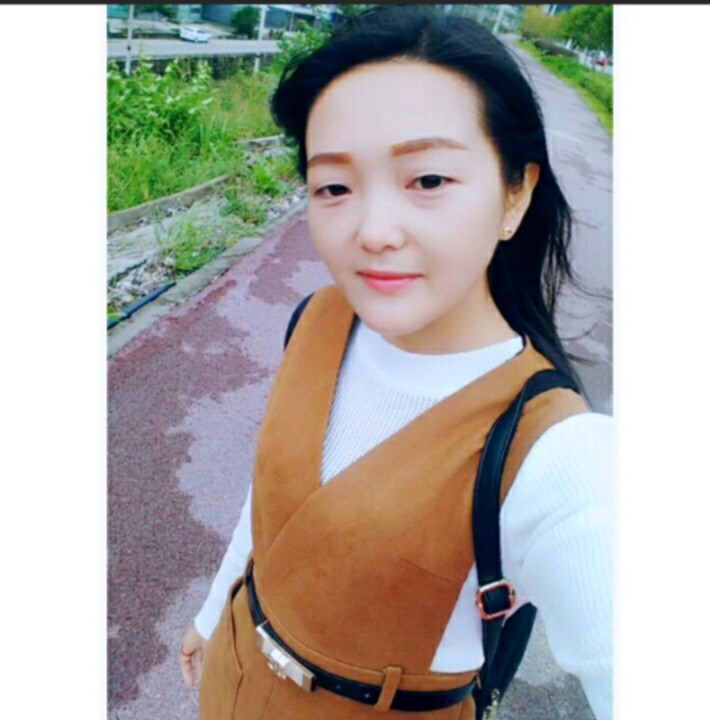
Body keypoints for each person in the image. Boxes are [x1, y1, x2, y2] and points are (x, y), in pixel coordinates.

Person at [179, 5, 613, 720]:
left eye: (429, 180)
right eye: (334, 187)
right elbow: (269, 502)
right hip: (232, 671)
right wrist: (209, 615)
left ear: (516, 193)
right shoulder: (319, 319)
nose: (373, 232)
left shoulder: (560, 458)